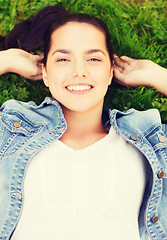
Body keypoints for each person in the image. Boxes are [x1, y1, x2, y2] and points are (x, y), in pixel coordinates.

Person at [0, 6, 167, 240]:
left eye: (93, 58)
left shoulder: (151, 141)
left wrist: (156, 75)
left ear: (111, 72)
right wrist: (7, 60)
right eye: (63, 59)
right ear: (45, 73)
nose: (79, 71)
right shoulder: (9, 133)